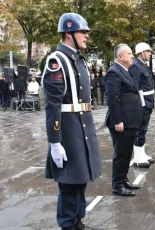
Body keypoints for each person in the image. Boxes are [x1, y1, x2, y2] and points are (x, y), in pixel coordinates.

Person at [42, 13, 102, 230]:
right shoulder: (57, 61)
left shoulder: (78, 59)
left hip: (82, 125)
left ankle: (77, 222)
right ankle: (68, 225)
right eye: (82, 32)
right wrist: (55, 142)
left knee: (81, 178)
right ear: (68, 34)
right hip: (68, 130)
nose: (86, 36)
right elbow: (52, 106)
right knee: (69, 183)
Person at [105, 44, 143, 196]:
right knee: (121, 154)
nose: (132, 56)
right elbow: (112, 99)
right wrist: (117, 121)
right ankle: (117, 185)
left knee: (127, 153)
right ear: (120, 57)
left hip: (129, 121)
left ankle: (123, 179)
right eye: (129, 53)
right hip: (121, 122)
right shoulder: (114, 72)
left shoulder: (125, 71)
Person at [128, 42, 155, 168]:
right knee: (139, 130)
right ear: (141, 53)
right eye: (148, 51)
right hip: (143, 103)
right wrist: (140, 104)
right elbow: (135, 87)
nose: (150, 54)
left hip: (148, 101)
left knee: (143, 130)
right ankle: (137, 158)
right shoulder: (136, 67)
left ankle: (142, 154)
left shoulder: (143, 66)